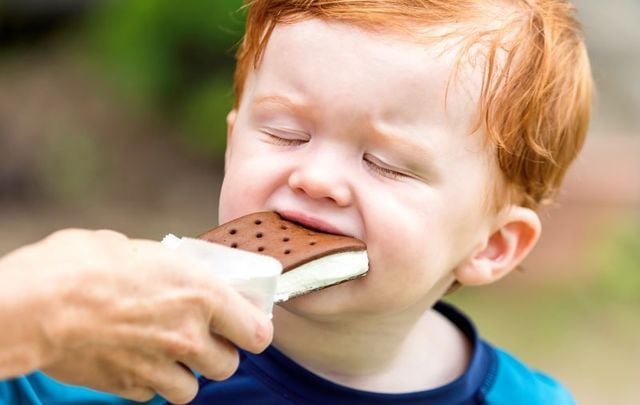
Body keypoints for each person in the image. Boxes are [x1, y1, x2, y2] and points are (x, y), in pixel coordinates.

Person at [1, 0, 592, 403]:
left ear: (491, 246)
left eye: (386, 163)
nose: (316, 177)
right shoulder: (112, 346)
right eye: (285, 133)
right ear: (233, 141)